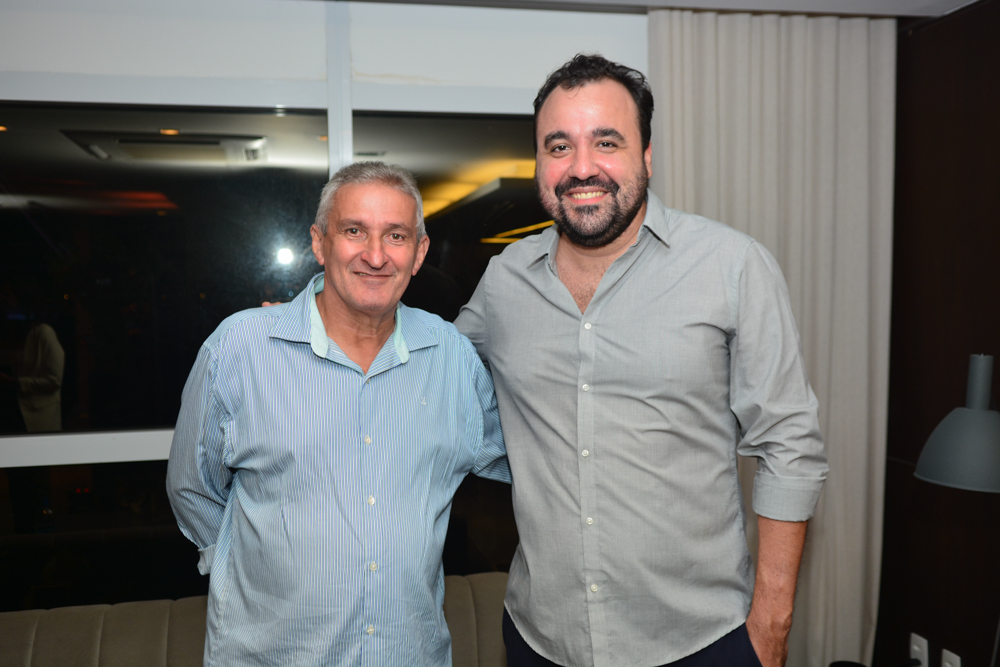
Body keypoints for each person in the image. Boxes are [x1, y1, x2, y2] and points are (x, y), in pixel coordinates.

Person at [455, 54, 829, 667]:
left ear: (647, 156)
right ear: (539, 164)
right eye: (559, 146)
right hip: (541, 639)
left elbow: (791, 446)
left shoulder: (733, 266)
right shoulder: (504, 281)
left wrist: (770, 626)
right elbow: (436, 382)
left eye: (606, 142)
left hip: (700, 642)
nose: (582, 167)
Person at [166, 161, 509, 667]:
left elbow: (523, 460)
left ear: (419, 253)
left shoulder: (452, 357)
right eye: (354, 231)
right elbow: (192, 489)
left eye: (396, 235)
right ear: (319, 242)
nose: (376, 255)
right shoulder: (239, 350)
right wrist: (255, 572)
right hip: (273, 656)